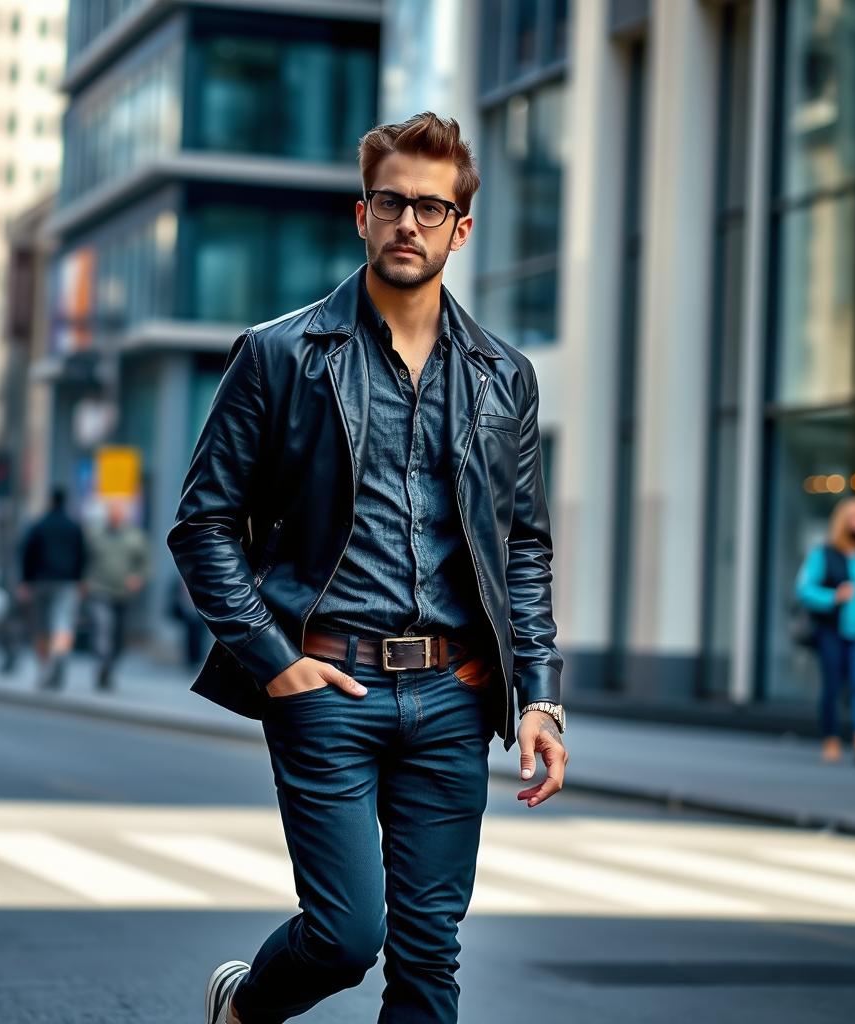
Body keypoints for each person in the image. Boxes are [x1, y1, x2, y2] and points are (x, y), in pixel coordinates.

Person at [169, 112, 567, 1024]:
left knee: (430, 956)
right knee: (349, 935)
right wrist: (277, 663)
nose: (409, 223)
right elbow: (203, 525)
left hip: (456, 689)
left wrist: (538, 693)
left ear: (462, 228)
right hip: (327, 682)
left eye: (431, 207)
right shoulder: (281, 356)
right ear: (362, 214)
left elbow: (522, 545)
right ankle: (244, 1003)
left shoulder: (505, 375)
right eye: (392, 202)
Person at [796, 495, 855, 764]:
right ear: (844, 521)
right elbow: (804, 590)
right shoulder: (824, 553)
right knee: (832, 686)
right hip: (833, 630)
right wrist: (833, 597)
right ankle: (831, 738)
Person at [19, 487, 87, 690]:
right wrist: (80, 579)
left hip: (40, 582)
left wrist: (25, 580)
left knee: (41, 627)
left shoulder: (39, 525)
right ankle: (59, 658)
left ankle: (43, 668)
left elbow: (26, 553)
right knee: (63, 624)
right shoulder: (74, 527)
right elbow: (82, 554)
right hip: (67, 582)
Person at [85, 499, 149, 690]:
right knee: (103, 628)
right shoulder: (96, 534)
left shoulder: (135, 536)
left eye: (119, 513)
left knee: (119, 636)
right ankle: (103, 660)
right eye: (112, 513)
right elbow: (84, 558)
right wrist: (83, 581)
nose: (115, 516)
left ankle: (109, 668)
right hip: (99, 589)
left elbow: (145, 563)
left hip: (123, 593)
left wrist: (138, 577)